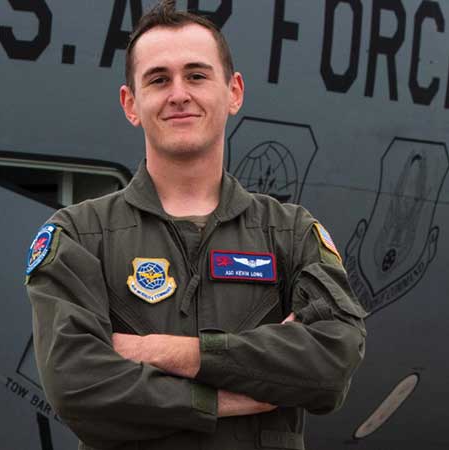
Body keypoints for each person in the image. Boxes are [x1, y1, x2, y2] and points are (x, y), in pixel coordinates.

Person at [25, 2, 367, 449]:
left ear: (234, 92)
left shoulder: (290, 233)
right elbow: (76, 384)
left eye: (197, 75)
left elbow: (333, 359)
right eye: (159, 79)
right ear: (131, 103)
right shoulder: (80, 237)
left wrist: (174, 353)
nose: (179, 94)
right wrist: (220, 398)